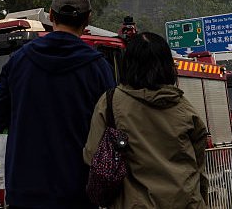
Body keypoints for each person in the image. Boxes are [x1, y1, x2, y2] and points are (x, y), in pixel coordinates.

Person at [0, 0, 114, 209]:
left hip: (24, 190)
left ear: (51, 16)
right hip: (78, 192)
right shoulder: (98, 67)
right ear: (88, 19)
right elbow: (111, 125)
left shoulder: (18, 60)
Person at [83, 31, 208, 208]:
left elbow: (92, 155)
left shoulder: (110, 102)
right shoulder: (184, 107)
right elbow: (199, 164)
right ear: (167, 65)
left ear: (128, 63)